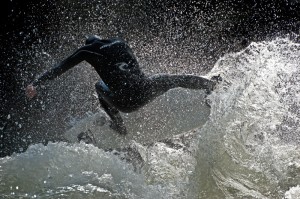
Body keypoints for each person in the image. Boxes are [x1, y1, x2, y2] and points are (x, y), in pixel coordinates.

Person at [26, 35, 220, 135]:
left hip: (125, 102)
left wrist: (37, 83)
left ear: (88, 44)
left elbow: (61, 67)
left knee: (98, 86)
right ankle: (211, 86)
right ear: (102, 38)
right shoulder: (120, 42)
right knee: (171, 78)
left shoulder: (87, 51)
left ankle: (119, 126)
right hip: (146, 89)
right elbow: (130, 68)